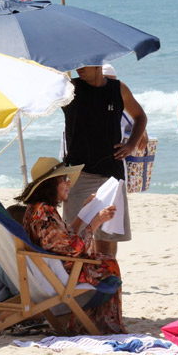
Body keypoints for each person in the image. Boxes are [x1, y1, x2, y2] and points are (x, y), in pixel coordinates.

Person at [17, 157, 125, 334]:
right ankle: (99, 323)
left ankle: (89, 320)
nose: (68, 183)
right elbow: (74, 249)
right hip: (58, 272)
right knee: (108, 265)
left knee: (105, 260)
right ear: (51, 184)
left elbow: (65, 239)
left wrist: (83, 213)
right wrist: (96, 221)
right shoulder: (44, 213)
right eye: (63, 180)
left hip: (49, 268)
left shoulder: (38, 209)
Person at [61, 64, 147, 264]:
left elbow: (140, 116)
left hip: (111, 177)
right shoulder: (69, 89)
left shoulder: (118, 89)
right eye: (77, 64)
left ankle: (107, 291)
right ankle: (79, 291)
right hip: (78, 176)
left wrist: (131, 143)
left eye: (84, 63)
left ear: (98, 64)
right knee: (75, 242)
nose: (78, 68)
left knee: (107, 245)